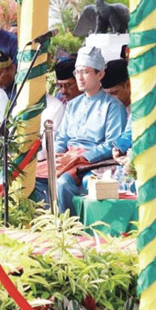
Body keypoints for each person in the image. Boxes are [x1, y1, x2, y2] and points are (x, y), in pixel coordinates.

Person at [34, 46, 126, 215]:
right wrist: (57, 154)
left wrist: (83, 157)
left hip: (93, 162)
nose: (80, 78)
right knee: (35, 177)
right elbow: (62, 137)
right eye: (77, 72)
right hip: (68, 158)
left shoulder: (112, 106)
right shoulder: (73, 104)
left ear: (100, 74)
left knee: (62, 183)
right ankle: (45, 224)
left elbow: (113, 143)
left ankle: (70, 229)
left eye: (85, 72)